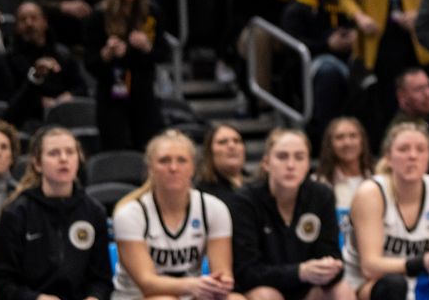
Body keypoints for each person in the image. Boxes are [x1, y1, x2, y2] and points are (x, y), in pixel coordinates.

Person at [340, 120, 429, 300]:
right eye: (404, 149)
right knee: (394, 285)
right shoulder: (371, 192)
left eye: (420, 149)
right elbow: (370, 267)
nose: (412, 156)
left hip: (425, 279)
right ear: (388, 158)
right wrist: (421, 263)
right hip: (368, 282)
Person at [0, 126, 112, 300]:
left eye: (70, 152)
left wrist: (94, 297)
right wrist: (35, 298)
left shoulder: (94, 211)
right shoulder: (17, 213)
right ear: (37, 164)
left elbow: (102, 280)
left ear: (79, 159)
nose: (63, 159)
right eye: (54, 153)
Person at [111, 130, 235, 300]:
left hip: (191, 293)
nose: (173, 168)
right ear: (150, 169)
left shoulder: (214, 208)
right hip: (137, 296)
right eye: (164, 161)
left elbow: (222, 272)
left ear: (193, 168)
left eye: (182, 160)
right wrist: (193, 285)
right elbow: (147, 284)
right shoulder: (130, 213)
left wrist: (220, 283)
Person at [231, 128, 346, 300]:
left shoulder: (322, 196)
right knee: (267, 296)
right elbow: (246, 272)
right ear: (266, 163)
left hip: (307, 287)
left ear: (308, 164)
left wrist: (330, 269)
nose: (291, 165)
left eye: (299, 157)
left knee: (342, 291)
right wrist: (299, 272)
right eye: (282, 157)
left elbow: (332, 254)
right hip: (263, 287)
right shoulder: (246, 200)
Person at [87, 0, 162, 152]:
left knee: (147, 147)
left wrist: (147, 48)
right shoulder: (99, 15)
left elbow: (163, 54)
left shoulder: (151, 13)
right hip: (112, 92)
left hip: (143, 91)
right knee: (114, 147)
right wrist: (106, 54)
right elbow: (90, 61)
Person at [316, 120, 370, 212]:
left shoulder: (377, 178)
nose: (347, 143)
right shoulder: (318, 184)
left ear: (362, 141)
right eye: (339, 137)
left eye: (353, 136)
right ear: (330, 144)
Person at [199, 125, 249, 196]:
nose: (232, 146)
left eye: (237, 141)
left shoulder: (257, 184)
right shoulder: (201, 192)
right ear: (209, 151)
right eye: (223, 142)